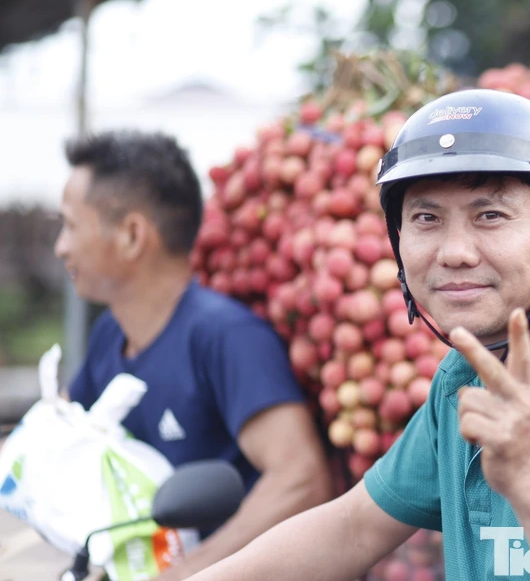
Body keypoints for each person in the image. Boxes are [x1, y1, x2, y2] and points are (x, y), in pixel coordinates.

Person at [190, 89, 530, 580]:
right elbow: (353, 528)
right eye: (427, 219)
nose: (454, 252)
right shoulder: (469, 372)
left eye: (491, 215)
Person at [54, 130, 333, 580]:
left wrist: (188, 573)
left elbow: (300, 480)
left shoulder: (226, 337)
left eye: (70, 225)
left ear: (131, 236)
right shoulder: (110, 334)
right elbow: (56, 431)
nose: (60, 246)